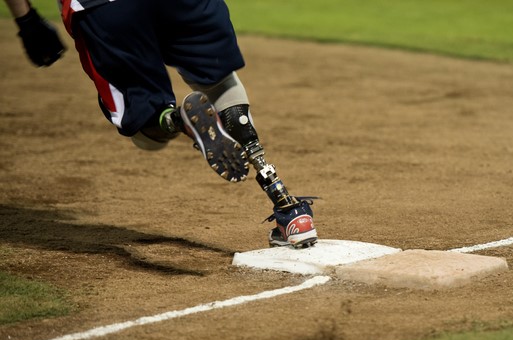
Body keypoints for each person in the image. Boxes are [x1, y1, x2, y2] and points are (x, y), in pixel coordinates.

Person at [4, 0, 319, 248]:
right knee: (220, 83)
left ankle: (179, 121)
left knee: (145, 127)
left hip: (105, 7)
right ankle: (290, 211)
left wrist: (26, 19)